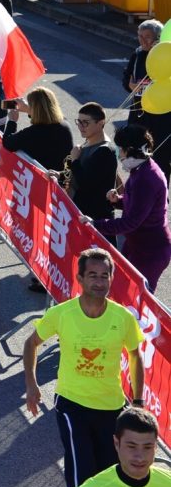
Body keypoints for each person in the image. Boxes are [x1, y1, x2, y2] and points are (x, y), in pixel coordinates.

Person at [23, 247, 146, 487]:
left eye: (104, 276)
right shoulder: (62, 313)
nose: (99, 282)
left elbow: (135, 355)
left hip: (111, 406)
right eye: (92, 275)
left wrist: (138, 400)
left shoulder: (122, 317)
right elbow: (31, 343)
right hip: (72, 403)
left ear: (111, 279)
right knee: (81, 472)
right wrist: (31, 384)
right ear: (80, 279)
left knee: (108, 474)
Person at [90, 125, 171, 290]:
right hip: (137, 245)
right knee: (119, 290)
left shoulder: (146, 178)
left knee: (137, 302)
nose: (119, 154)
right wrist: (118, 200)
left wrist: (94, 225)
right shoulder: (142, 168)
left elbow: (130, 222)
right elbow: (141, 205)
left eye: (120, 149)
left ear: (130, 150)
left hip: (150, 252)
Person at [56, 408, 171, 487]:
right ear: (116, 443)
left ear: (156, 447)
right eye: (131, 446)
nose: (140, 457)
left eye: (147, 447)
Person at [124, 21, 171, 178]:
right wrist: (131, 86)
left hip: (161, 118)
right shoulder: (137, 55)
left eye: (148, 37)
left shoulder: (166, 54)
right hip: (138, 115)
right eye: (140, 36)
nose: (143, 41)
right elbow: (126, 80)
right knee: (135, 157)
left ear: (158, 38)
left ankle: (161, 195)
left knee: (160, 159)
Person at [67, 102, 119, 236]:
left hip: (95, 219)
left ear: (101, 123)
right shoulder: (88, 142)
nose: (80, 127)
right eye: (78, 121)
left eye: (85, 122)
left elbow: (86, 183)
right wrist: (59, 174)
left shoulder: (105, 151)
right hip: (81, 214)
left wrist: (75, 160)